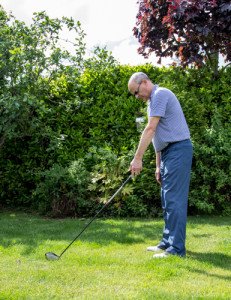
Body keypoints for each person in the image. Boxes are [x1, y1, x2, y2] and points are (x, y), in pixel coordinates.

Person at [128, 72, 193, 258]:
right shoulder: (152, 102)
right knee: (167, 200)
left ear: (145, 82)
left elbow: (150, 129)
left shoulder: (160, 94)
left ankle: (177, 249)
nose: (136, 96)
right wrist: (158, 166)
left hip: (178, 150)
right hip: (168, 153)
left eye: (136, 91)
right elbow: (158, 138)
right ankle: (167, 242)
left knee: (174, 201)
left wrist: (138, 158)